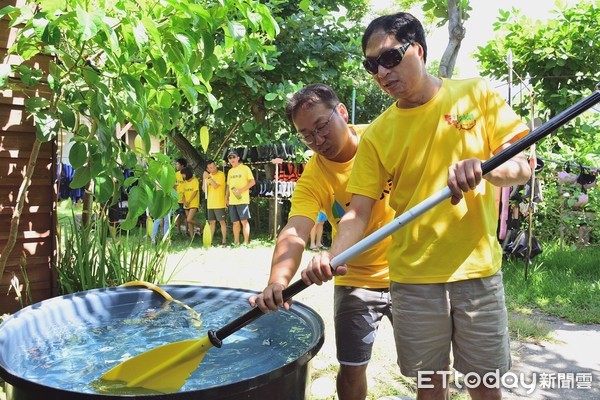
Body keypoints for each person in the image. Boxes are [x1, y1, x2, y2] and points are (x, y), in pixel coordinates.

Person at [302, 13, 532, 400]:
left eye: (390, 58)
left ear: (419, 51)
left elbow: (521, 167)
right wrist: (333, 256)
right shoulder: (377, 134)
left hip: (476, 272)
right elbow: (357, 212)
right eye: (371, 65)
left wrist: (489, 169)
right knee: (430, 388)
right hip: (412, 280)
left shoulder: (474, 93)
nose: (381, 72)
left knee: (485, 385)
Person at [249, 84, 396, 400]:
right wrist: (277, 282)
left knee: (428, 364)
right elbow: (295, 231)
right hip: (355, 278)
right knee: (352, 366)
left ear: (341, 112)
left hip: (411, 271)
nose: (317, 140)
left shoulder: (384, 136)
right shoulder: (313, 177)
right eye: (307, 135)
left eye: (322, 126)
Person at [225, 150, 255, 246]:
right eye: (230, 157)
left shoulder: (245, 168)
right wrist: (226, 198)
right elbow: (228, 187)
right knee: (235, 222)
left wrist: (241, 190)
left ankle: (246, 243)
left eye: (234, 157)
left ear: (238, 158)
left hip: (242, 199)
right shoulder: (230, 171)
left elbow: (252, 182)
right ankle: (236, 242)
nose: (232, 159)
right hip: (232, 201)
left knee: (244, 221)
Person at [203, 159, 228, 246]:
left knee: (222, 222)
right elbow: (204, 189)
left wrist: (208, 177)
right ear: (207, 169)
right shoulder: (208, 176)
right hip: (210, 204)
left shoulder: (221, 174)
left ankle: (224, 241)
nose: (213, 169)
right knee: (212, 222)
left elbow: (215, 185)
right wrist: (204, 178)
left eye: (214, 166)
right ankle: (210, 241)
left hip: (219, 202)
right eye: (210, 168)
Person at [180, 166, 203, 239]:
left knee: (189, 219)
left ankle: (200, 226)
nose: (182, 176)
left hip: (193, 203)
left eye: (183, 174)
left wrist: (189, 201)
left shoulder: (195, 180)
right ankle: (192, 237)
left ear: (187, 173)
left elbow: (195, 192)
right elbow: (182, 194)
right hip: (186, 204)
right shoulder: (184, 183)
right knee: (189, 221)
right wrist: (185, 202)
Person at [174, 158, 187, 235]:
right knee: (177, 215)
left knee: (186, 216)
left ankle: (186, 231)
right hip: (177, 198)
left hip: (186, 198)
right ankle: (178, 231)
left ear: (182, 165)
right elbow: (174, 185)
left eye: (178, 164)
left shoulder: (187, 173)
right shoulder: (176, 174)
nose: (176, 166)